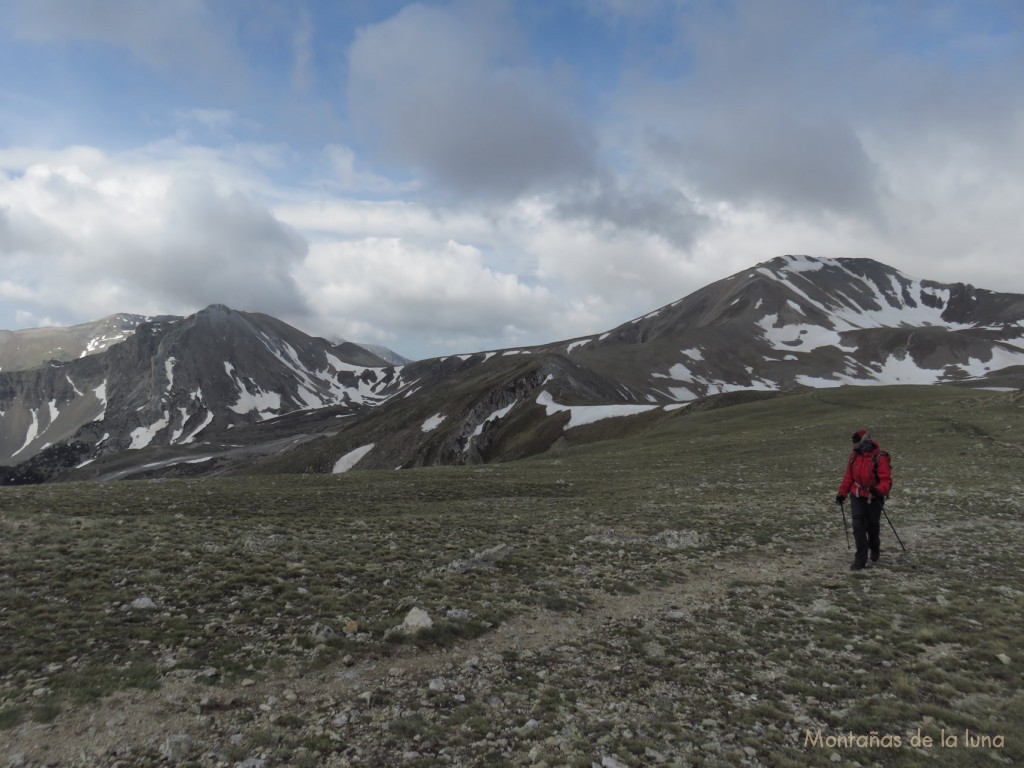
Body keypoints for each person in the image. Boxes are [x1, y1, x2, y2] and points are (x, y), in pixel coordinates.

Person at [835, 430, 892, 570]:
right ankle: (860, 560)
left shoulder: (879, 457)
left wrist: (878, 490)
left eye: (855, 442)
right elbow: (849, 477)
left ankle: (875, 547)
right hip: (857, 495)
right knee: (858, 527)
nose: (853, 445)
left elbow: (886, 480)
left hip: (874, 497)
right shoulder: (854, 456)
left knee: (873, 527)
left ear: (862, 442)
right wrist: (842, 493)